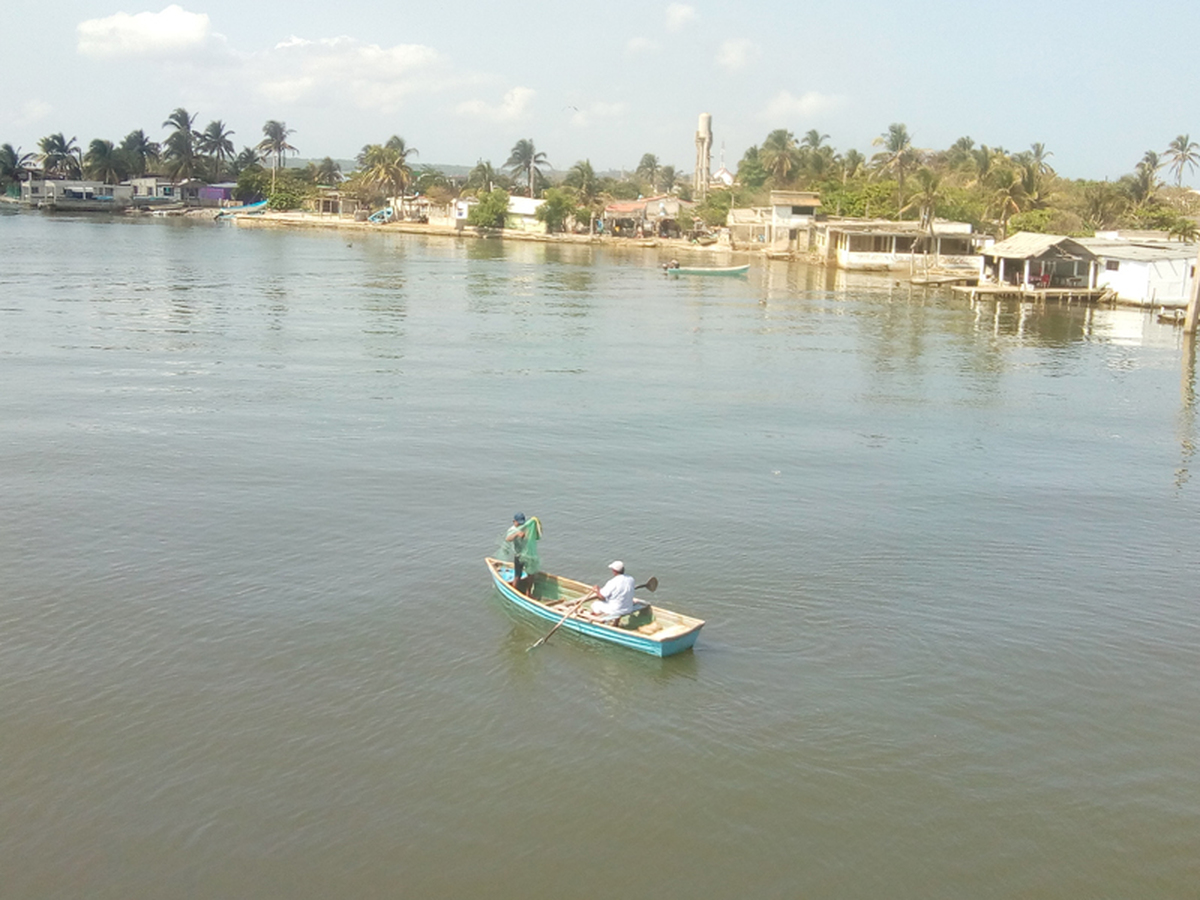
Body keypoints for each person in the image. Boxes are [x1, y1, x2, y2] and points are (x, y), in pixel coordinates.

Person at [505, 513, 530, 585]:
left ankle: (528, 592)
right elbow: (508, 539)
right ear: (514, 521)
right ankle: (514, 589)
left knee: (531, 573)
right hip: (519, 555)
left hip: (528, 554)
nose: (520, 525)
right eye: (519, 523)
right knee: (517, 575)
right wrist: (516, 534)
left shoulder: (526, 528)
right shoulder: (512, 530)